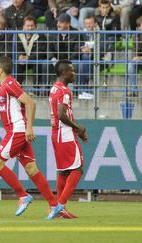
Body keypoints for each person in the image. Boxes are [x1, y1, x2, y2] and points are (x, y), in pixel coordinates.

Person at [0, 56, 61, 220]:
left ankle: (23, 195)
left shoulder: (10, 84)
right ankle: (54, 205)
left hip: (17, 130)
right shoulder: (3, 86)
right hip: (17, 131)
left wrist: (29, 127)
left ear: (1, 69)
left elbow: (30, 103)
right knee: (31, 169)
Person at [49, 60, 88, 219]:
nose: (75, 73)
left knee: (64, 171)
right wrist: (77, 128)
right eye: (72, 71)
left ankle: (58, 209)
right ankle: (59, 206)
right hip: (65, 134)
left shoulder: (53, 88)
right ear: (64, 72)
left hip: (56, 134)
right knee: (78, 169)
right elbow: (62, 115)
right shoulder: (65, 91)